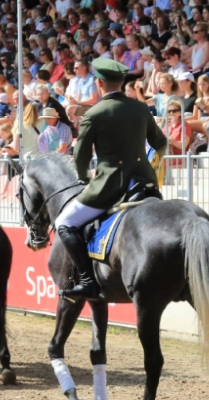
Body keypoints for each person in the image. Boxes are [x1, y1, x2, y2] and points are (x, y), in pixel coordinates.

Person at [53, 58, 167, 300]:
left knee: (64, 223)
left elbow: (81, 159)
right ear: (121, 82)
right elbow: (160, 143)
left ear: (99, 83)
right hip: (145, 184)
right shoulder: (140, 108)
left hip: (109, 186)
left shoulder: (94, 113)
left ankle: (87, 283)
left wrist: (85, 178)